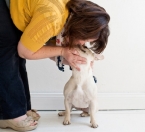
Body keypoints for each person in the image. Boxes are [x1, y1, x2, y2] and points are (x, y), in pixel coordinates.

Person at [0, 0, 110, 131]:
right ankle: (10, 115)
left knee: (16, 55)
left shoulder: (70, 13)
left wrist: (67, 59)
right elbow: (25, 52)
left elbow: (38, 46)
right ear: (81, 28)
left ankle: (22, 109)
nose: (82, 44)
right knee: (7, 52)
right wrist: (63, 51)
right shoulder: (52, 18)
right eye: (85, 40)